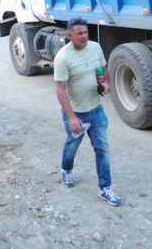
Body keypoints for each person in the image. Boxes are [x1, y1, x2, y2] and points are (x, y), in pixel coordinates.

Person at [54, 17, 122, 206]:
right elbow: (60, 90)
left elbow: (102, 69)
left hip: (96, 110)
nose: (84, 36)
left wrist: (104, 83)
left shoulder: (95, 47)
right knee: (72, 145)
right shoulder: (63, 58)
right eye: (79, 33)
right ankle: (66, 170)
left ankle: (105, 188)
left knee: (102, 150)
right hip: (77, 114)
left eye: (85, 32)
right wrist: (71, 117)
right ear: (70, 35)